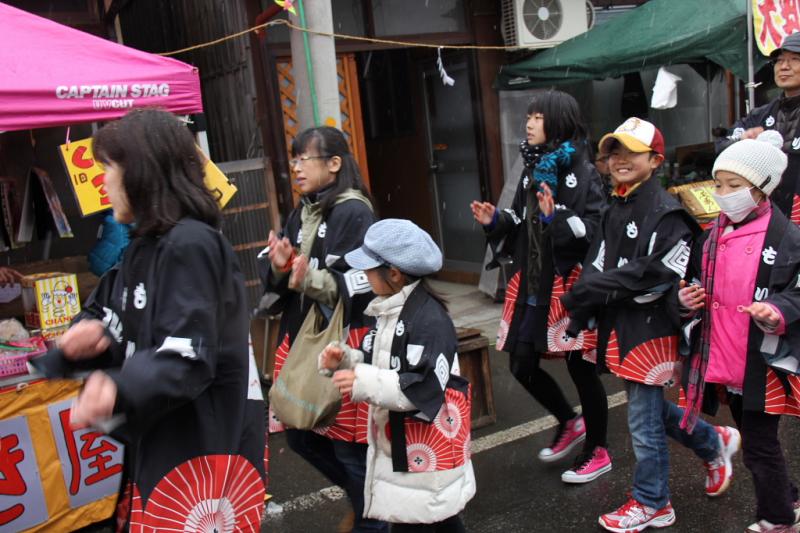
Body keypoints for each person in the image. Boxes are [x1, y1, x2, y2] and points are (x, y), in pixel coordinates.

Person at [31, 109, 267, 529]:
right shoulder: (144, 248)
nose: (103, 183)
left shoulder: (191, 243)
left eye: (109, 169)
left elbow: (187, 353)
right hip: (161, 445)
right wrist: (72, 349)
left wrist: (117, 388)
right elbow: (107, 316)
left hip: (201, 450)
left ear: (141, 171)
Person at [561, 117, 740, 533]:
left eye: (631, 152)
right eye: (614, 152)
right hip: (622, 324)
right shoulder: (616, 203)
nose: (620, 160)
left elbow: (654, 273)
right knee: (651, 411)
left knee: (642, 420)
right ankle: (713, 442)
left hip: (654, 327)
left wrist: (587, 292)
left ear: (655, 160)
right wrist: (581, 308)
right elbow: (598, 261)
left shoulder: (669, 212)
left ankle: (652, 501)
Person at [470, 90, 610, 483]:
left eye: (536, 116)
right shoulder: (533, 165)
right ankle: (570, 421)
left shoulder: (583, 170)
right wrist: (494, 219)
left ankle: (598, 449)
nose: (528, 123)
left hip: (568, 283)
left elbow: (595, 232)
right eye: (528, 116)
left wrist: (556, 217)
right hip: (531, 279)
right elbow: (517, 219)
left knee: (580, 368)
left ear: (558, 121)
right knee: (521, 363)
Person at [258, 126, 385, 532]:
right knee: (300, 433)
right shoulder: (304, 209)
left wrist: (306, 277)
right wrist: (281, 266)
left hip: (343, 342)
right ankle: (365, 502)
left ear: (334, 164)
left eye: (303, 159)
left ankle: (373, 517)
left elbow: (362, 285)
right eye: (293, 160)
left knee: (347, 446)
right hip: (304, 339)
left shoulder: (353, 211)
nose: (295, 167)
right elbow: (284, 280)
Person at [318, 219, 476, 532]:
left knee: (423, 516)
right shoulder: (390, 309)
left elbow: (424, 387)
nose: (363, 275)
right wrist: (346, 360)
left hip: (422, 449)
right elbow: (378, 356)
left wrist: (362, 381)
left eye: (369, 269)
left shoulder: (429, 319)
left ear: (393, 274)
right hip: (406, 447)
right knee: (435, 519)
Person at [679, 131, 800, 533]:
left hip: (759, 359)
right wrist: (686, 299)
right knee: (756, 442)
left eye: (734, 186)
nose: (722, 193)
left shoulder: (787, 238)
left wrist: (776, 310)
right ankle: (789, 497)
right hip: (723, 357)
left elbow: (797, 292)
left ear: (762, 190)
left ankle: (778, 518)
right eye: (718, 184)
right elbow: (691, 281)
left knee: (761, 446)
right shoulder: (711, 235)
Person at [720, 32, 800, 224]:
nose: (784, 67)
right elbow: (722, 145)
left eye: (794, 59)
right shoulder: (761, 115)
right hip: (765, 219)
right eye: (779, 61)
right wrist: (743, 141)